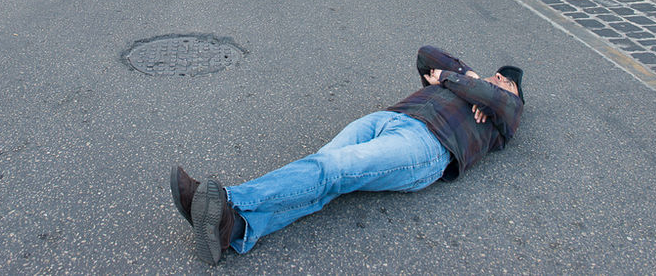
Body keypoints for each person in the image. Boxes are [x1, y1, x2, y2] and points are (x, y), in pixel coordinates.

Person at [170, 45, 524, 265]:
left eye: (503, 81)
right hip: (387, 119)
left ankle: (225, 201)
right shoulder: (469, 84)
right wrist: (466, 75)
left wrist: (460, 83)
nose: (495, 79)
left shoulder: (504, 114)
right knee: (320, 173)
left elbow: (496, 100)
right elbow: (425, 54)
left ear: (514, 94)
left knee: (331, 168)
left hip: (428, 146)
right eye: (493, 74)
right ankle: (232, 229)